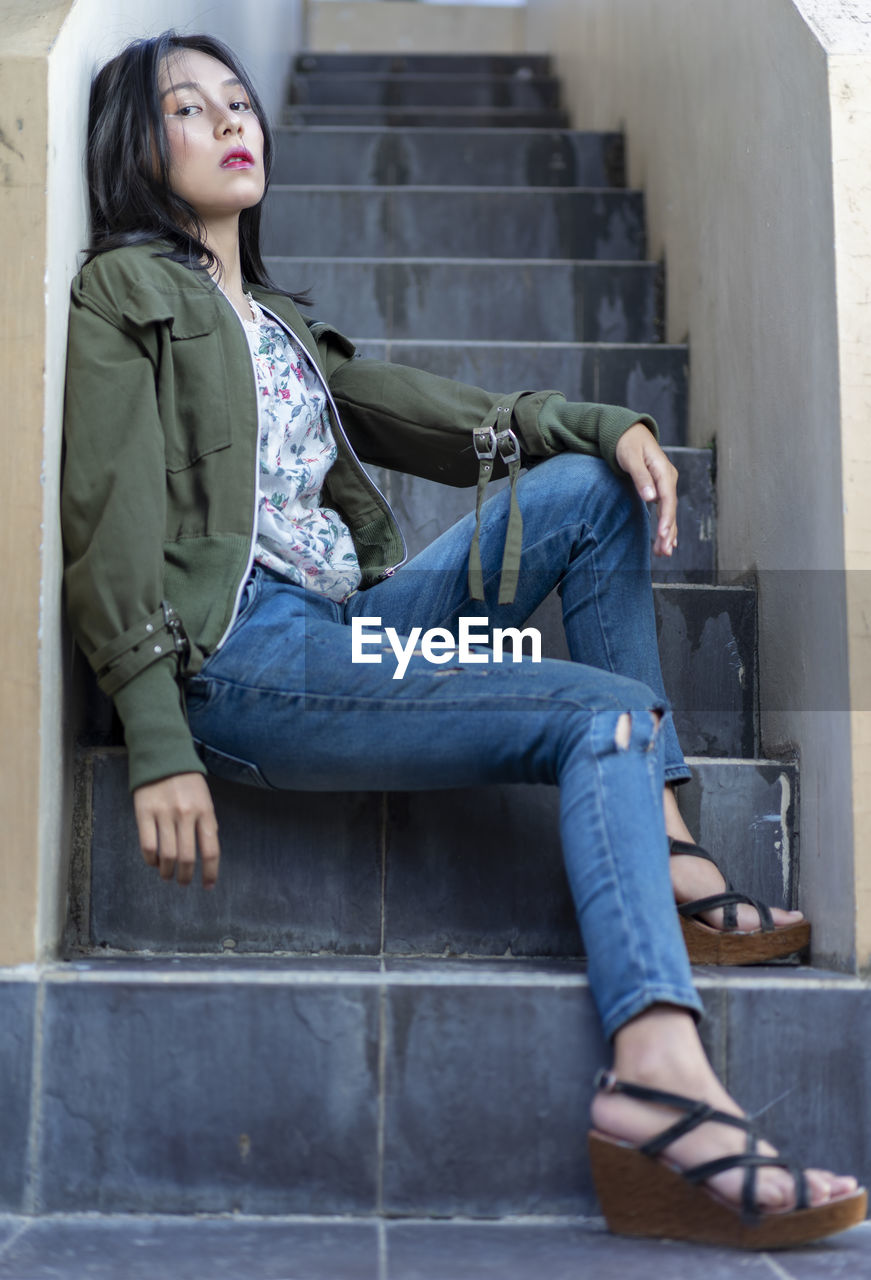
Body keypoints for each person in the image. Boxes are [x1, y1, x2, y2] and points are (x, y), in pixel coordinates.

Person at [60, 30, 865, 1248]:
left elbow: (431, 416)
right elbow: (105, 510)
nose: (234, 121)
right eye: (190, 108)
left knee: (593, 486)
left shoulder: (279, 325)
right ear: (137, 143)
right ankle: (658, 1081)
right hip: (249, 659)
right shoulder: (127, 290)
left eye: (240, 100)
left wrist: (597, 421)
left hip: (355, 630)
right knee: (601, 707)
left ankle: (669, 847)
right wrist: (156, 726)